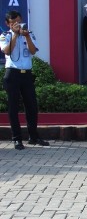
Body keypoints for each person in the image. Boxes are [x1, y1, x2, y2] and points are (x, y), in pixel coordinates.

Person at [0, 11, 50, 150]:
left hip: (26, 74)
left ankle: (33, 137)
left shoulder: (29, 34)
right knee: (13, 107)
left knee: (32, 106)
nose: (17, 24)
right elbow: (7, 51)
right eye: (13, 22)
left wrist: (26, 36)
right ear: (7, 24)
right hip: (12, 74)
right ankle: (17, 139)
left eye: (18, 21)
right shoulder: (5, 36)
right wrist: (15, 35)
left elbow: (33, 51)